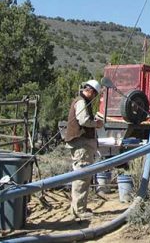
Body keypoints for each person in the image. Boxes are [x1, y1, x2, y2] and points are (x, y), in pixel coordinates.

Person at [63, 79, 103, 220]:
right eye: (95, 94)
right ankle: (79, 210)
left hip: (81, 144)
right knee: (82, 177)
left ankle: (77, 207)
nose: (95, 97)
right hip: (81, 145)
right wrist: (96, 124)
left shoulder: (81, 101)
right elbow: (83, 120)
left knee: (81, 176)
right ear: (91, 91)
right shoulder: (81, 102)